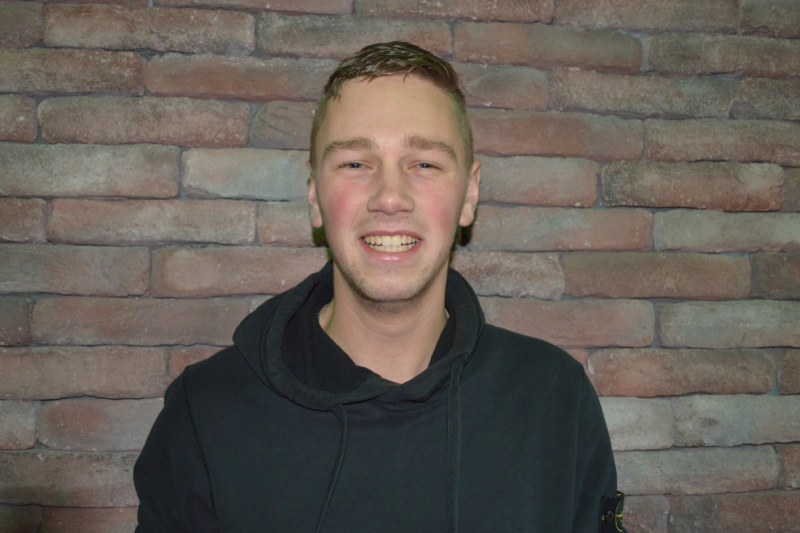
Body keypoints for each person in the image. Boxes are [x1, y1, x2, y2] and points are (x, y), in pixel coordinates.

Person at [134, 41, 625, 533]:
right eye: (355, 163)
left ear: (469, 194)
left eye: (424, 164)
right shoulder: (205, 412)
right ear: (314, 196)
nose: (390, 197)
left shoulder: (555, 401)